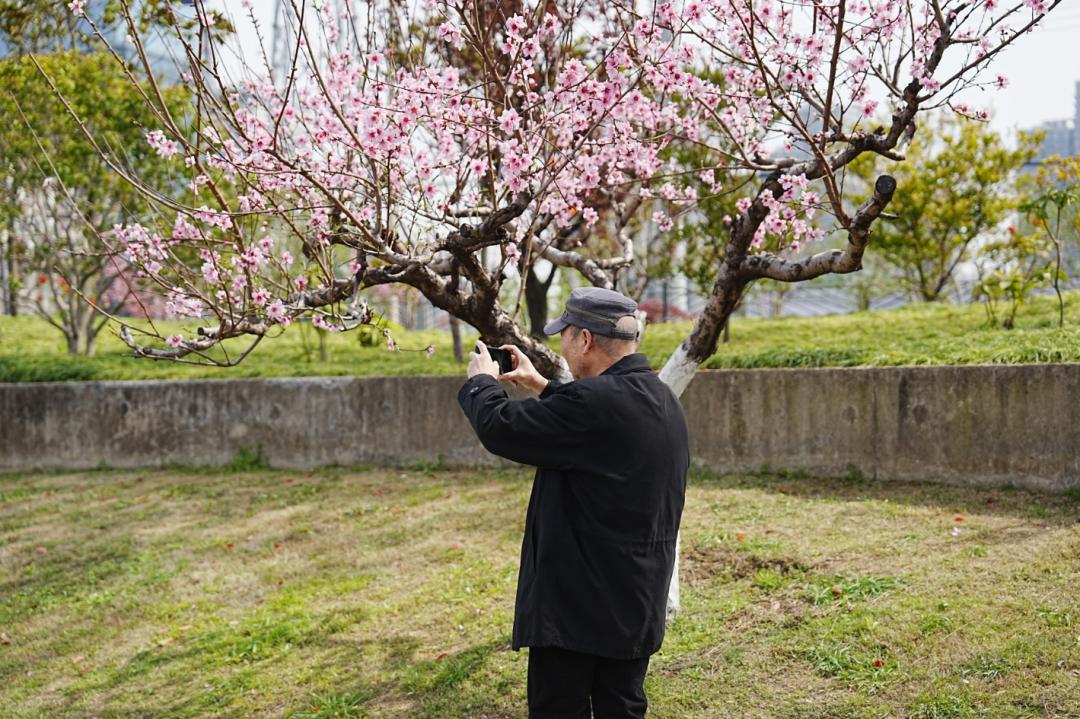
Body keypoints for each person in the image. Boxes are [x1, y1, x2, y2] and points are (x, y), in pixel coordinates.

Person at [458, 286, 690, 719]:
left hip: (577, 610)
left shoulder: (592, 405)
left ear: (584, 339)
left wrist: (481, 384)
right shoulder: (661, 399)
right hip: (634, 601)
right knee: (621, 707)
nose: (559, 344)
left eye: (563, 334)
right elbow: (599, 431)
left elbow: (501, 427)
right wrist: (543, 385)